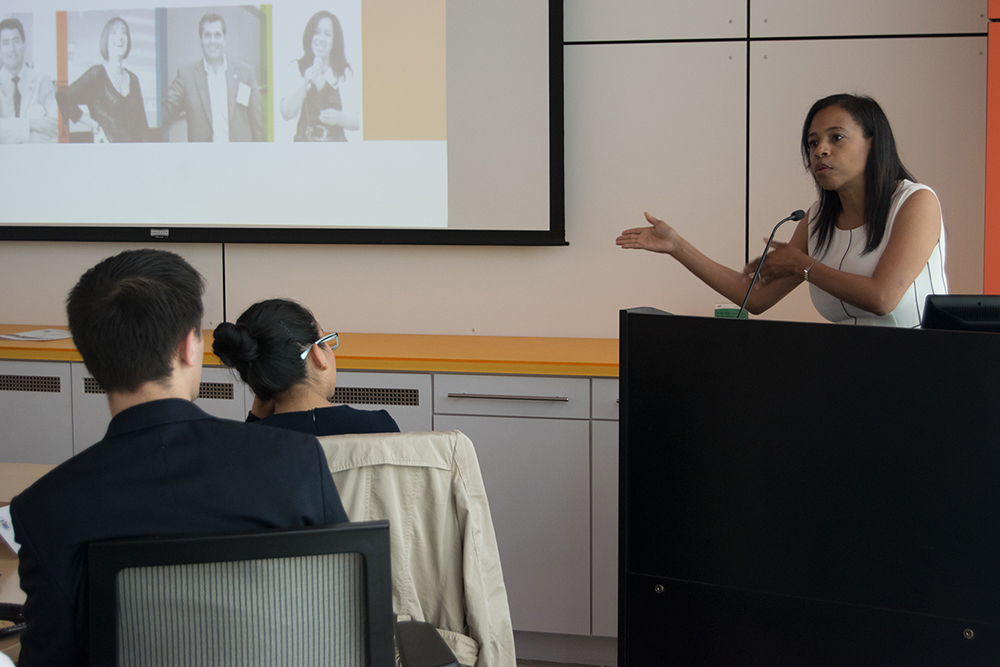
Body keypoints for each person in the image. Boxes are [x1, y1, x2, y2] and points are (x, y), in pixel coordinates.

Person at [9, 250, 348, 667]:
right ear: (190, 346)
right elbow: (342, 622)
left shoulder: (43, 509)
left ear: (91, 362)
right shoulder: (293, 461)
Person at [617, 93, 948, 327]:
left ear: (873, 143)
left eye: (837, 138)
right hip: (851, 370)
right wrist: (677, 246)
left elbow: (882, 298)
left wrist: (803, 265)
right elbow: (757, 299)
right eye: (813, 142)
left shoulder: (915, 202)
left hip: (919, 366)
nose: (821, 151)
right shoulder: (817, 219)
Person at [213, 298, 399, 435]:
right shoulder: (379, 427)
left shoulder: (246, 444)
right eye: (326, 340)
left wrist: (253, 421)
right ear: (317, 355)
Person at [162, 12, 264, 142]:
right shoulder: (186, 76)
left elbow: (257, 123)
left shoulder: (246, 73)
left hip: (239, 158)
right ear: (201, 40)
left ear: (224, 40)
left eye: (217, 35)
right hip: (204, 159)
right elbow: (165, 108)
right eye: (207, 35)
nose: (212, 41)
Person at [55, 17, 149, 143]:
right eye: (114, 32)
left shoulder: (133, 79)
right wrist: (93, 124)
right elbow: (62, 97)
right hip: (106, 155)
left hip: (134, 155)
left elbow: (142, 126)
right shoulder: (97, 74)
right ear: (106, 40)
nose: (120, 36)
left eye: (124, 32)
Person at [279, 11, 359, 142]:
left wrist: (340, 119)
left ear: (335, 40)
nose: (321, 39)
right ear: (310, 36)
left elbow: (359, 121)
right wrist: (304, 86)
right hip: (303, 148)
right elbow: (286, 113)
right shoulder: (296, 67)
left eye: (327, 34)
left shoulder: (344, 72)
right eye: (316, 32)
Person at [0, 18, 57, 143]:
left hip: (35, 159)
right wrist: (32, 124)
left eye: (16, 41)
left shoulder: (42, 81)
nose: (12, 49)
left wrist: (9, 132)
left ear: (24, 44)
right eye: (5, 43)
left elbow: (54, 128)